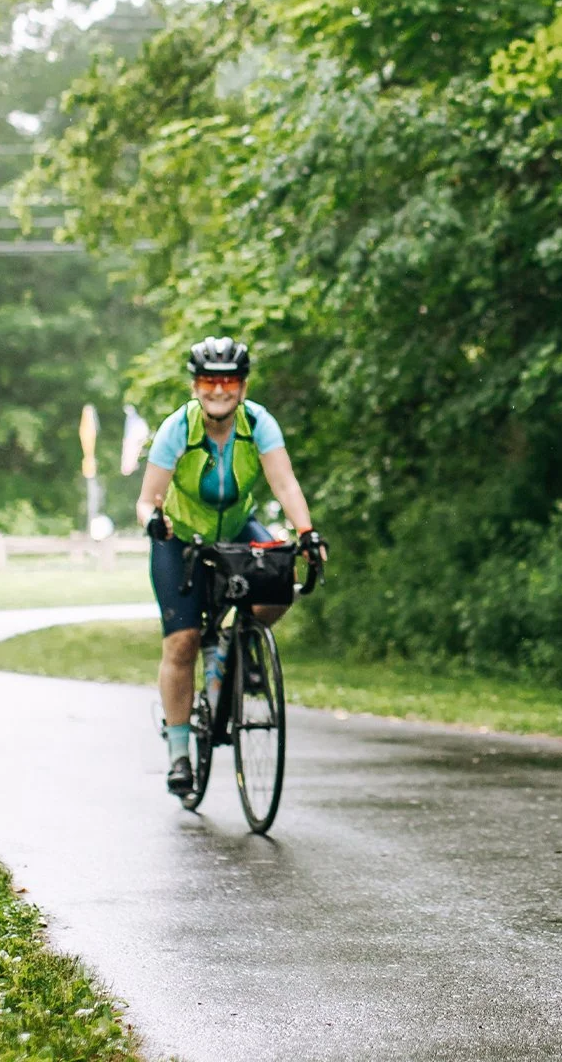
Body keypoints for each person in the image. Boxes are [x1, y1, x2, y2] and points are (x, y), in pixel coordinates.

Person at [135, 337, 327, 796]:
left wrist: (306, 533)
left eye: (228, 381)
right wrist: (154, 523)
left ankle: (236, 643)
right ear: (195, 384)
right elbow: (145, 501)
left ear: (242, 386)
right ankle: (180, 754)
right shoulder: (176, 429)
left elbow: (284, 483)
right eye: (208, 380)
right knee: (181, 643)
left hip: (237, 529)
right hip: (180, 539)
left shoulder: (258, 423)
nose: (218, 390)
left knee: (280, 582)